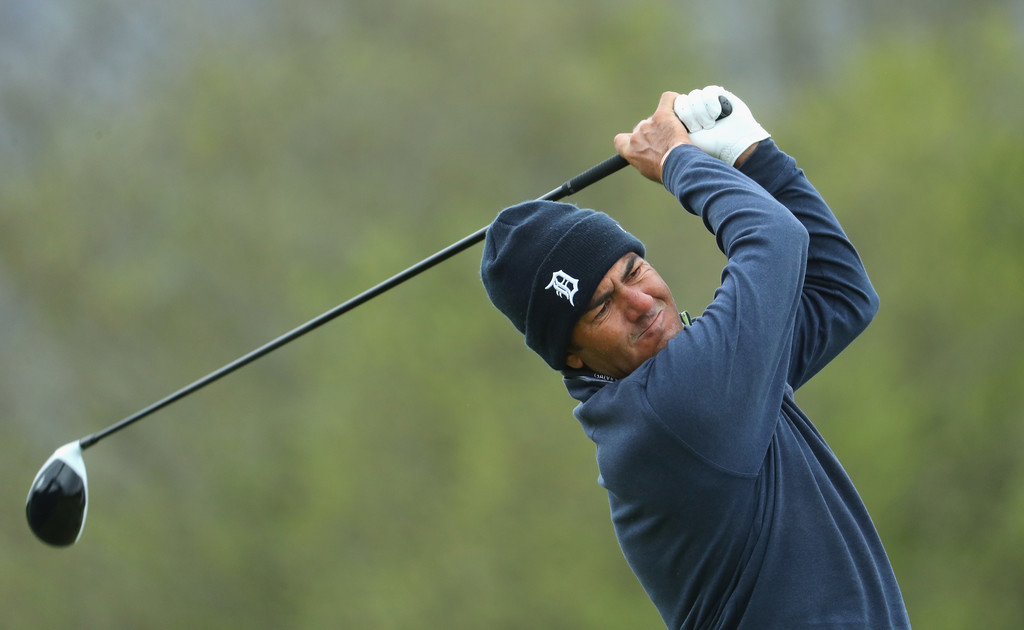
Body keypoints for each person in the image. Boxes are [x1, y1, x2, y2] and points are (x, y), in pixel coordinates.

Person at [480, 87, 911, 629]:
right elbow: (774, 238)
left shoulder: (710, 384)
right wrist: (676, 159)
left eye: (634, 271)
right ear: (572, 356)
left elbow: (838, 295)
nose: (641, 303)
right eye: (601, 307)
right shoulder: (670, 410)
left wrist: (752, 155)